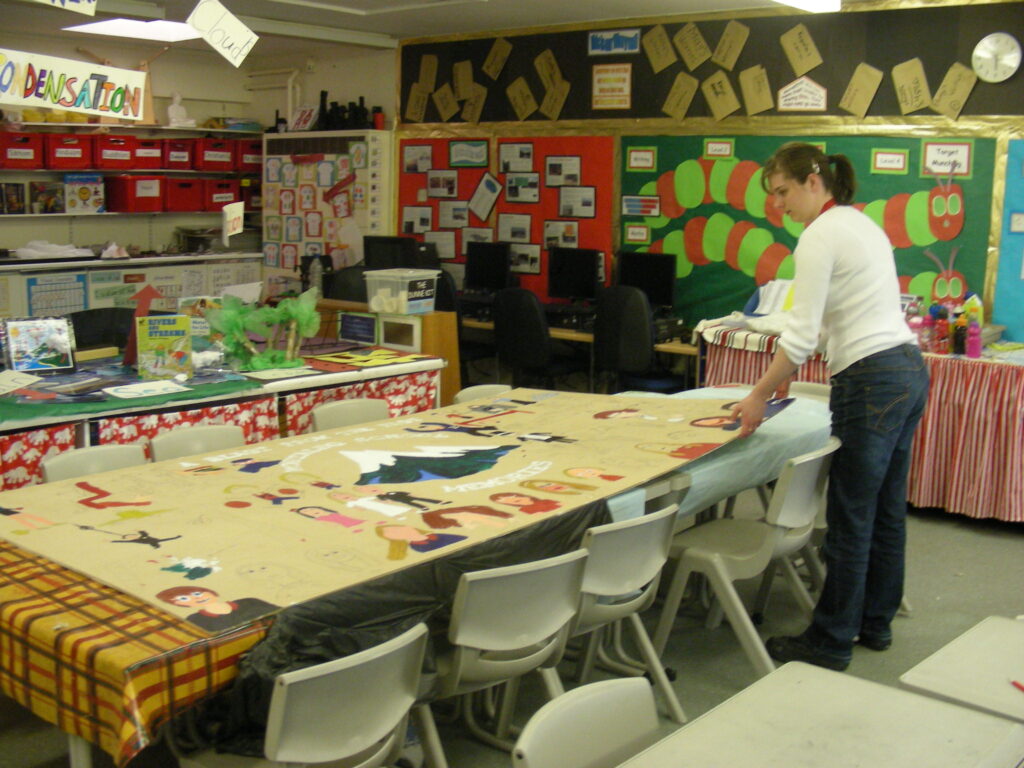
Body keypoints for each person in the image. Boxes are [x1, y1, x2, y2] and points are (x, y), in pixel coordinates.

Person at [730, 142, 929, 671]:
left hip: (872, 378)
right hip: (907, 368)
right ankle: (874, 623)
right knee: (886, 509)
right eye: (773, 196)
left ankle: (831, 639)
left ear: (813, 182)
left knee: (851, 515)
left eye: (783, 192)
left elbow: (798, 340)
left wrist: (756, 394)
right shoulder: (860, 225)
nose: (779, 206)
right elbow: (818, 327)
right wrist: (774, 380)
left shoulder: (819, 235)